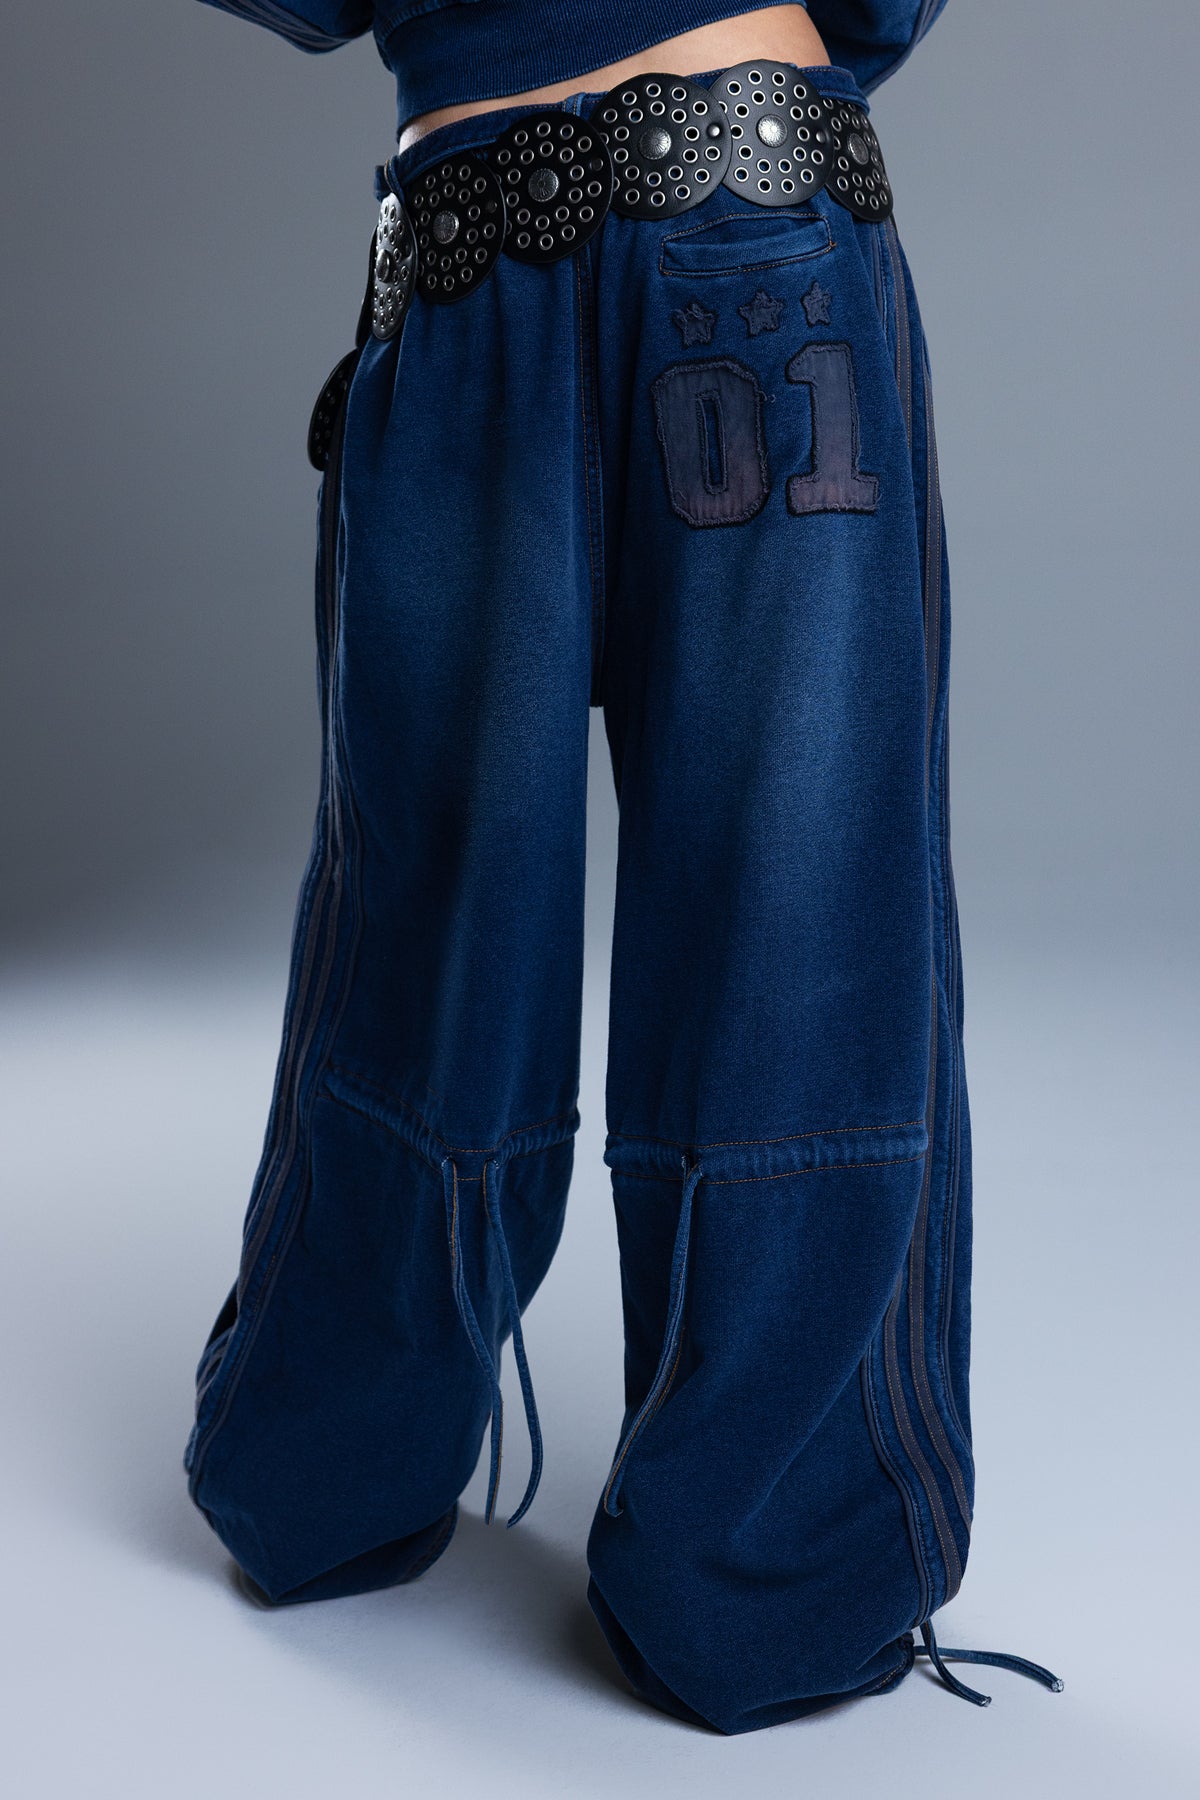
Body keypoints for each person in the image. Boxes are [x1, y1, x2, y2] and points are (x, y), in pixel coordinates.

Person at [184, 0, 1062, 1733]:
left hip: (509, 232)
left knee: (451, 931)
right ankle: (763, 1575)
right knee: (777, 924)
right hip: (731, 195)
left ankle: (337, 1469)